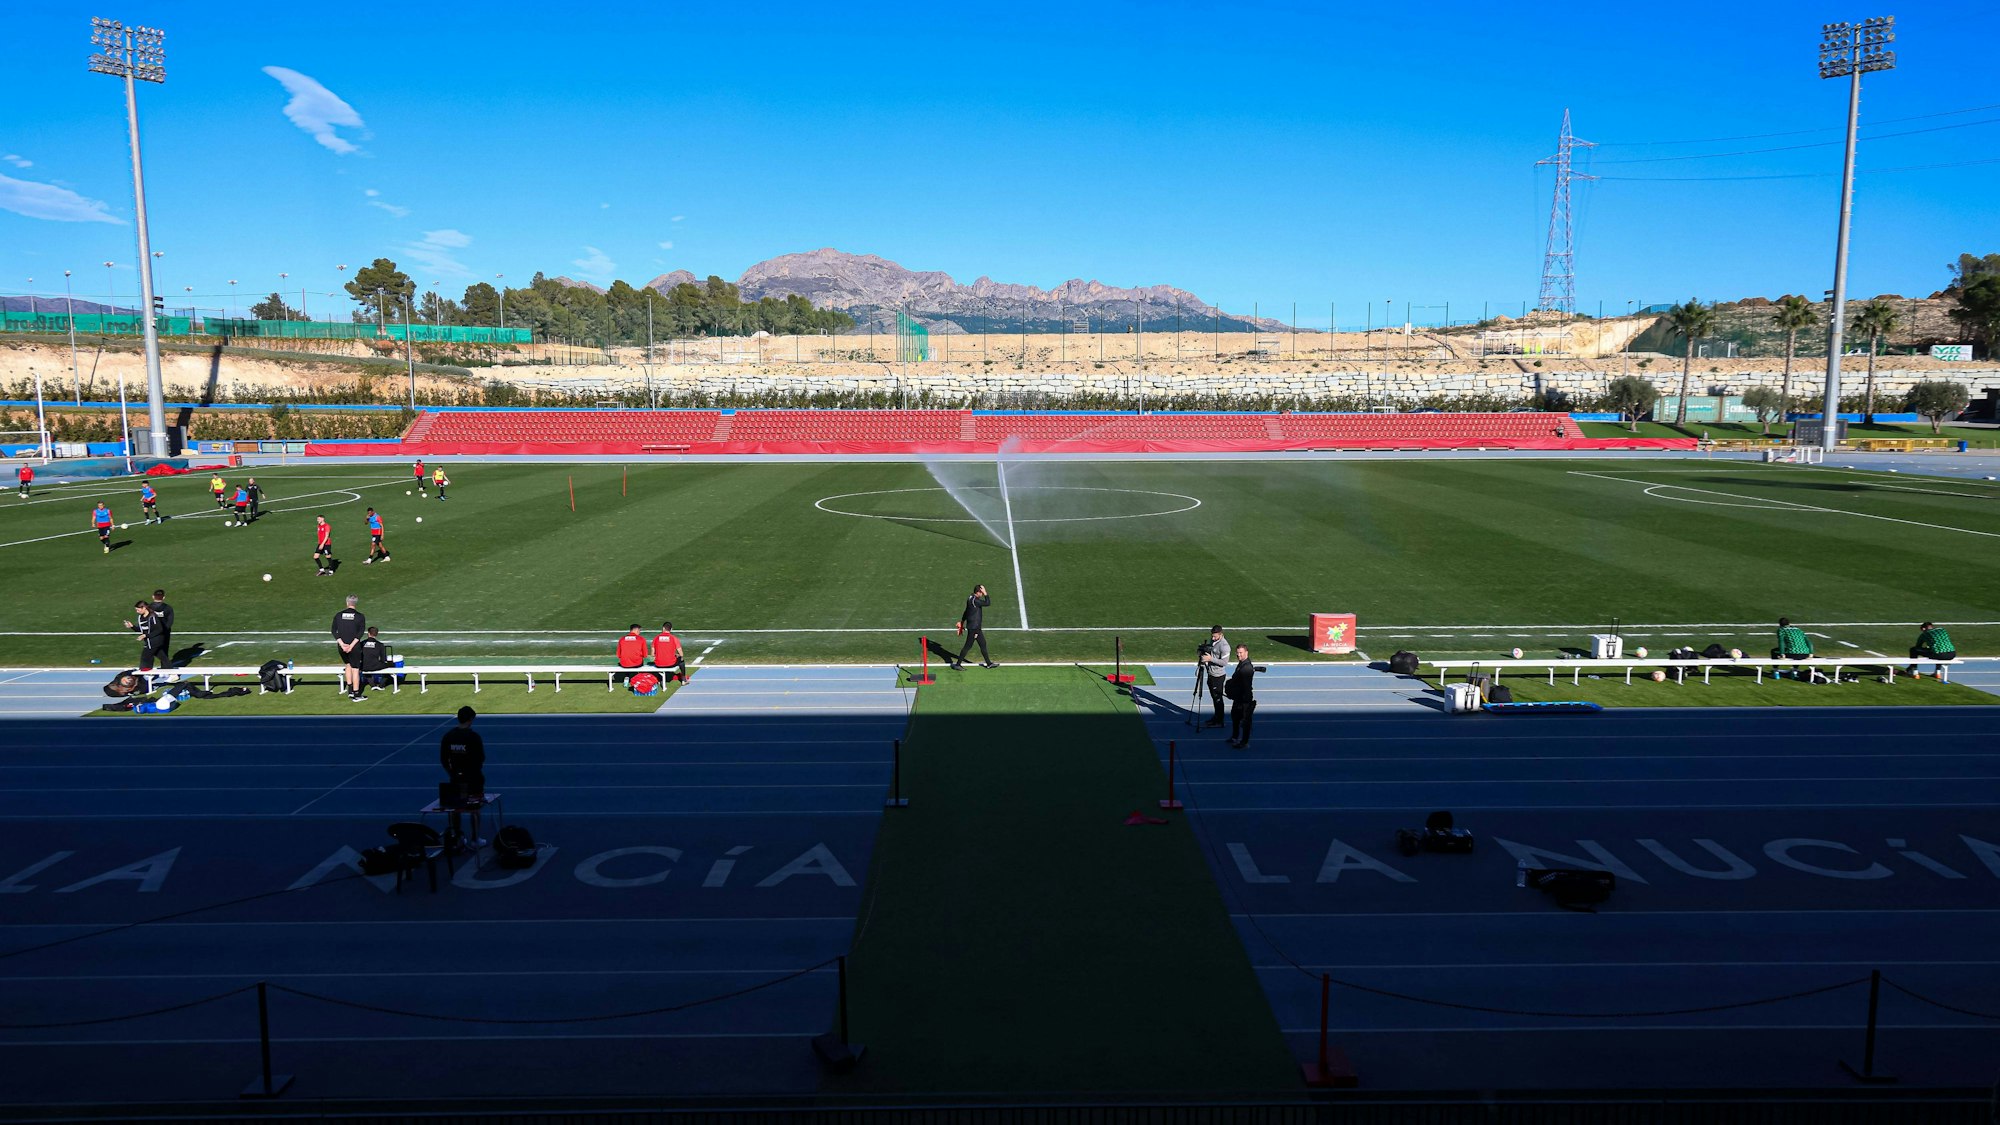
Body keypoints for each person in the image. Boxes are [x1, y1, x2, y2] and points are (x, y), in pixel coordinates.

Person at [438, 706, 487, 850]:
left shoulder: (448, 736)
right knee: (475, 808)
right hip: (474, 779)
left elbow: (443, 759)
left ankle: (457, 838)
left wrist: (451, 773)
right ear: (470, 719)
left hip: (455, 778)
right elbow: (481, 758)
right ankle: (475, 839)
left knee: (455, 808)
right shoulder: (473, 737)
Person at [331, 594, 367, 702]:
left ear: (347, 602)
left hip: (342, 646)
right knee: (355, 669)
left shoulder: (338, 615)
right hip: (354, 646)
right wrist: (351, 646)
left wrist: (342, 644)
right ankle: (356, 694)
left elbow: (333, 630)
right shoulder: (360, 616)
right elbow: (360, 633)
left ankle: (350, 690)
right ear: (355, 603)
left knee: (347, 665)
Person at [954, 583, 995, 669]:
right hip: (974, 628)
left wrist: (962, 622)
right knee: (968, 646)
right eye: (981, 592)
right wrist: (986, 593)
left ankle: (989, 663)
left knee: (983, 644)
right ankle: (957, 664)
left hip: (975, 627)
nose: (982, 594)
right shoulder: (975, 601)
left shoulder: (970, 598)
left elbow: (966, 611)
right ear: (978, 592)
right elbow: (987, 603)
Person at [1225, 644, 1258, 749]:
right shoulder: (1242, 664)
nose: (1238, 655)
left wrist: (1245, 700)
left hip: (1244, 698)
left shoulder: (1246, 668)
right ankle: (1235, 737)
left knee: (1245, 721)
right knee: (1235, 717)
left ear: (1246, 652)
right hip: (1239, 697)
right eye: (1237, 652)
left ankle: (1244, 742)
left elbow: (1246, 686)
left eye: (1241, 653)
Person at [1198, 624, 1230, 728]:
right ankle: (1216, 717)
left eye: (1215, 636)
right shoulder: (1213, 641)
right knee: (1214, 698)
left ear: (1221, 634)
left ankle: (1220, 720)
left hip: (1218, 676)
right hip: (1210, 674)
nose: (1212, 638)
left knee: (1218, 699)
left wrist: (1210, 659)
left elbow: (1224, 662)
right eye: (1212, 636)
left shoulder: (1224, 646)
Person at [122, 600, 166, 672]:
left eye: (138, 610)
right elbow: (142, 630)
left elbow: (159, 630)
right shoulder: (140, 618)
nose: (137, 611)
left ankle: (146, 674)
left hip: (156, 640)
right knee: (162, 657)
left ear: (144, 608)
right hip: (149, 640)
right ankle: (172, 673)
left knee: (145, 656)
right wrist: (132, 626)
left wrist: (146, 635)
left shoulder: (153, 617)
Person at [356, 625, 391, 690]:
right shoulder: (380, 644)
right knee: (391, 666)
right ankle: (381, 685)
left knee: (365, 670)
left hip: (364, 666)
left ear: (368, 633)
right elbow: (383, 659)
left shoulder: (361, 643)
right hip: (375, 666)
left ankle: (372, 685)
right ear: (376, 634)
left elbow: (358, 656)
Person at [149, 588, 174, 661]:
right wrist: (164, 630)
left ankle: (149, 666)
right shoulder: (168, 608)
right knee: (164, 650)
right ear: (163, 597)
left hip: (152, 632)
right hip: (165, 632)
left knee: (150, 651)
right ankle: (165, 665)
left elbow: (144, 620)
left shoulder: (148, 608)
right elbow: (170, 621)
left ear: (153, 597)